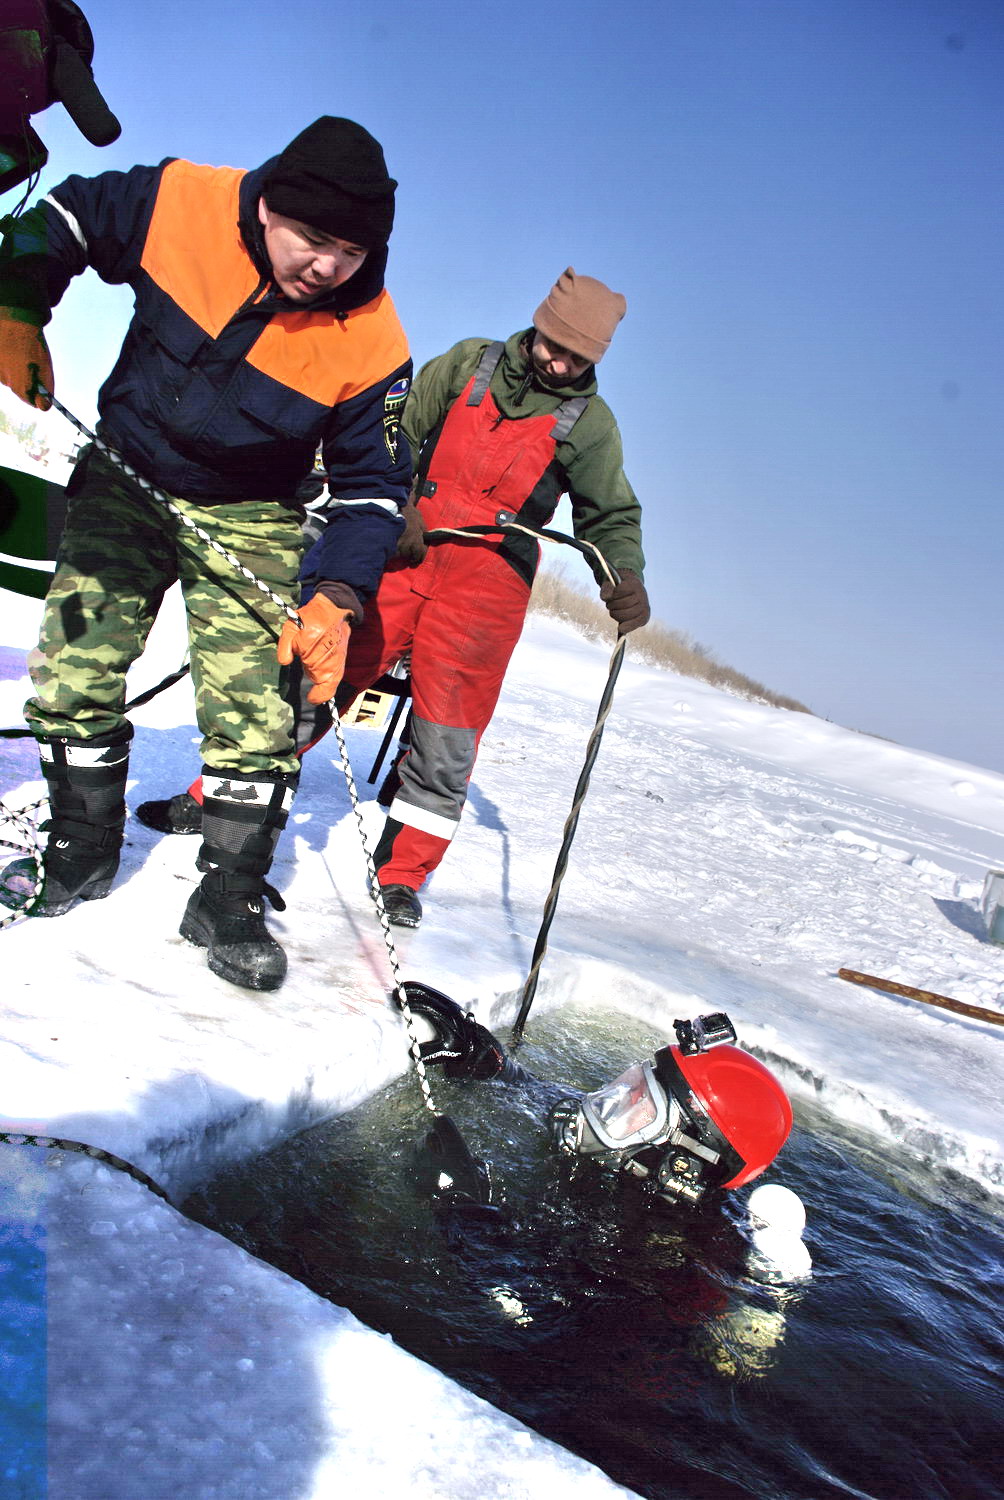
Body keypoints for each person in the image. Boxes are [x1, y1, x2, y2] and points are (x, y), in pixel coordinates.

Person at [0, 116, 412, 991]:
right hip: (127, 468)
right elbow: (64, 218)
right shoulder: (182, 201)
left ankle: (227, 895)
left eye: (352, 248)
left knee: (259, 711)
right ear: (267, 208)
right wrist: (17, 304)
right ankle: (79, 850)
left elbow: (374, 487)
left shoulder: (373, 338)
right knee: (73, 667)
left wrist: (337, 595)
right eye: (314, 238)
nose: (330, 265)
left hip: (251, 510)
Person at [139, 268, 650, 931]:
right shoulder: (471, 361)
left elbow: (611, 514)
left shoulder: (591, 422)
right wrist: (396, 505)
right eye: (555, 346)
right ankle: (221, 798)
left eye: (578, 358)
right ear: (538, 325)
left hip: (487, 591)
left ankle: (402, 875)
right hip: (403, 553)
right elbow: (393, 434)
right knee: (312, 675)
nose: (560, 363)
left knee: (447, 737)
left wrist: (624, 573)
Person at [403, 987, 794, 1215]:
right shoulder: (630, 1162)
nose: (612, 1103)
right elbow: (538, 1094)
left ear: (681, 1166)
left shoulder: (649, 1261)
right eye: (632, 1084)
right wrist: (485, 1059)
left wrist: (465, 1214)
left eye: (642, 1104)